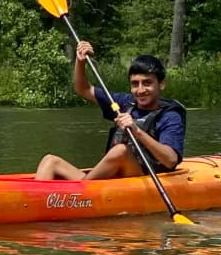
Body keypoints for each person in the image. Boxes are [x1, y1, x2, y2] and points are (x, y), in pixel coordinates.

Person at [35, 41, 185, 180]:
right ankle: (37, 201)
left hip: (144, 179)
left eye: (147, 83)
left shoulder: (170, 116)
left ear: (161, 84)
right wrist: (80, 62)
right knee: (50, 161)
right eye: (135, 84)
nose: (140, 90)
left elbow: (171, 160)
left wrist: (137, 131)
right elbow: (83, 89)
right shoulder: (124, 103)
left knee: (121, 151)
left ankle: (82, 192)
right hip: (108, 180)